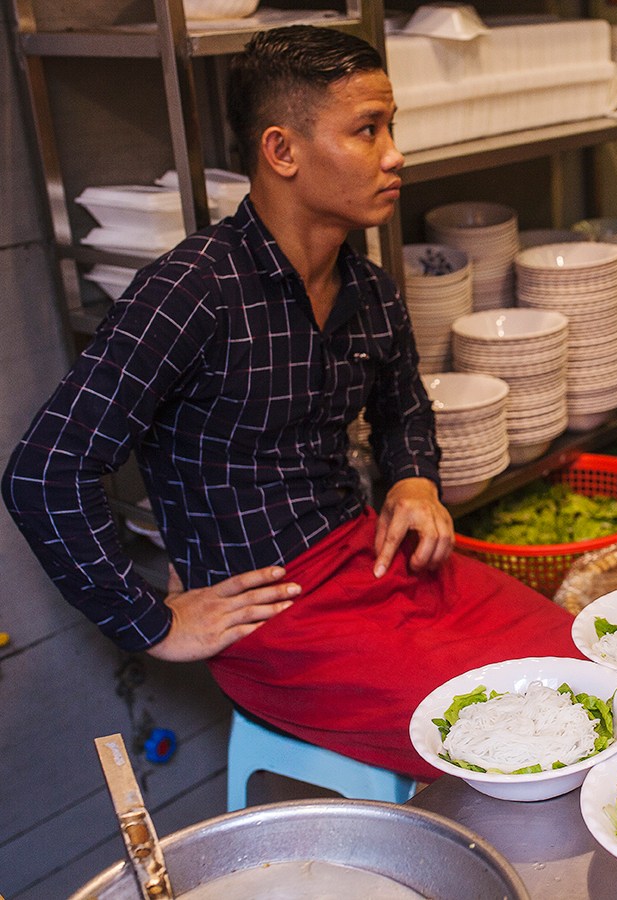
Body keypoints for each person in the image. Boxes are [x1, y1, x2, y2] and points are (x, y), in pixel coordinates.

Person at [2, 25, 581, 782]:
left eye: (390, 127)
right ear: (283, 151)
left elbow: (405, 408)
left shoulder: (368, 287)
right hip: (272, 613)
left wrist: (413, 480)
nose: (395, 153)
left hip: (373, 559)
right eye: (367, 130)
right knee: (511, 736)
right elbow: (44, 471)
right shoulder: (192, 292)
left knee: (586, 663)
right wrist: (152, 620)